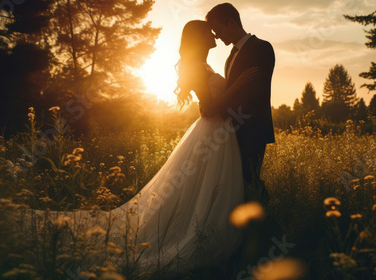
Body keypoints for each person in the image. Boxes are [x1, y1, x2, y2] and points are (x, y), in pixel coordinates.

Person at [21, 20, 259, 277]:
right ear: (199, 38)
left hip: (218, 134)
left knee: (206, 188)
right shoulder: (196, 67)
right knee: (203, 187)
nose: (214, 35)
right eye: (209, 32)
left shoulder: (200, 66)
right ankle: (198, 235)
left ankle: (205, 228)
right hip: (212, 134)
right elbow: (209, 109)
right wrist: (238, 86)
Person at [203, 3, 275, 207]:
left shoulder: (262, 48)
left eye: (218, 30)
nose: (217, 36)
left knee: (249, 180)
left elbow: (254, 91)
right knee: (237, 184)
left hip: (251, 128)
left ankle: (268, 221)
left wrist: (219, 109)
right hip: (231, 130)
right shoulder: (230, 57)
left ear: (232, 23)